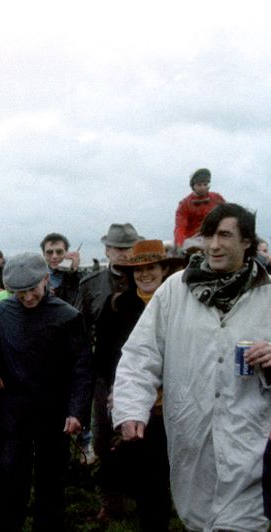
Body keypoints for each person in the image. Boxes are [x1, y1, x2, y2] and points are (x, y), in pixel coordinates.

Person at [113, 203, 271, 531]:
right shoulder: (175, 290)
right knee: (198, 519)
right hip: (190, 433)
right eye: (208, 236)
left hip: (251, 437)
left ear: (247, 242)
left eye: (224, 235)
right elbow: (141, 354)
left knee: (243, 523)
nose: (214, 245)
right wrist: (131, 408)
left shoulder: (267, 295)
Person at [0, 252, 91, 531]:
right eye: (20, 292)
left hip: (54, 414)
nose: (27, 297)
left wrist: (76, 411)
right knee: (9, 482)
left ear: (46, 279)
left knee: (51, 484)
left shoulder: (68, 316)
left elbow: (82, 368)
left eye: (33, 289)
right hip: (11, 414)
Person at [93, 239, 179, 528]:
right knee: (149, 478)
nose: (145, 274)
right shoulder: (117, 306)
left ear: (164, 269)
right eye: (138, 269)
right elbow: (104, 355)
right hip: (140, 405)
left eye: (151, 267)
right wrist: (118, 390)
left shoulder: (181, 305)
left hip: (177, 402)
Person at [74, 223, 141, 477]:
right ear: (107, 250)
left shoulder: (147, 277)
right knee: (103, 429)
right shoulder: (91, 285)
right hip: (105, 368)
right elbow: (79, 329)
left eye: (129, 248)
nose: (124, 253)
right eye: (118, 248)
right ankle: (108, 485)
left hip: (144, 367)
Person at [174, 167, 225, 248]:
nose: (203, 188)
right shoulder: (184, 204)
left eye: (205, 184)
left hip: (214, 236)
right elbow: (180, 227)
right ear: (193, 186)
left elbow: (229, 215)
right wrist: (179, 245)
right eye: (199, 185)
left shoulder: (217, 198)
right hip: (192, 240)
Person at [41, 232, 81, 305]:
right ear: (44, 254)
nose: (54, 256)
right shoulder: (38, 279)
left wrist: (74, 274)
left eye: (59, 252)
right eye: (49, 252)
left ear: (67, 252)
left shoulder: (79, 277)